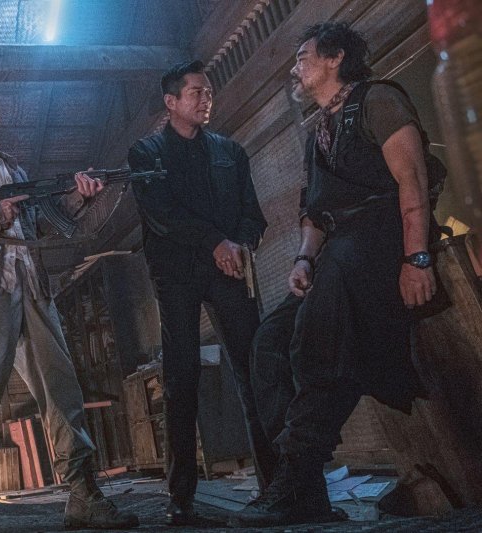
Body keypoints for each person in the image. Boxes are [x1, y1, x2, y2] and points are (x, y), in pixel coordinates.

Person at [233, 21, 438, 527]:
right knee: (269, 342)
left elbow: (412, 181)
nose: (295, 69)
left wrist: (416, 259)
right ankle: (304, 486)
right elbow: (315, 212)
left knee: (318, 338)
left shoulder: (378, 100)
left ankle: (293, 480)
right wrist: (303, 259)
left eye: (302, 57)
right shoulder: (318, 131)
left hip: (381, 240)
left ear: (335, 57)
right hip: (336, 254)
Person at [0, 82, 139, 533]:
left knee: (60, 386)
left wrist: (80, 196)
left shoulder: (12, 166)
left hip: (33, 286)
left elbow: (42, 225)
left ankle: (82, 494)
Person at [128, 60, 271, 526]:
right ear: (171, 102)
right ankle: (182, 501)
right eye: (196, 92)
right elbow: (162, 216)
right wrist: (215, 242)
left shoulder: (230, 151)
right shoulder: (146, 153)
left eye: (208, 91)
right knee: (181, 381)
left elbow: (253, 214)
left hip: (229, 270)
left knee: (255, 371)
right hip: (177, 276)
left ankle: (276, 487)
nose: (206, 98)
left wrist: (240, 244)